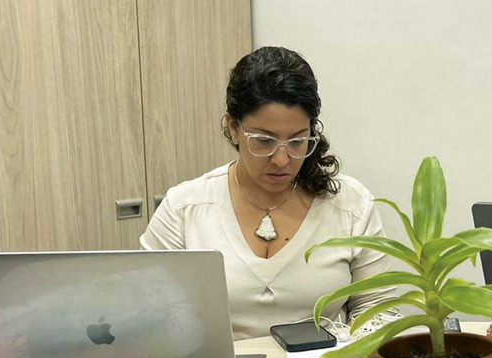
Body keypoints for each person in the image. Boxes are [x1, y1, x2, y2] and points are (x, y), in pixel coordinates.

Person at [141, 46, 394, 340]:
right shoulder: (184, 208)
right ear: (233, 128)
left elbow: (377, 308)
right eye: (263, 141)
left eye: (297, 142)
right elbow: (152, 315)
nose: (281, 160)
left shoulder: (349, 204)